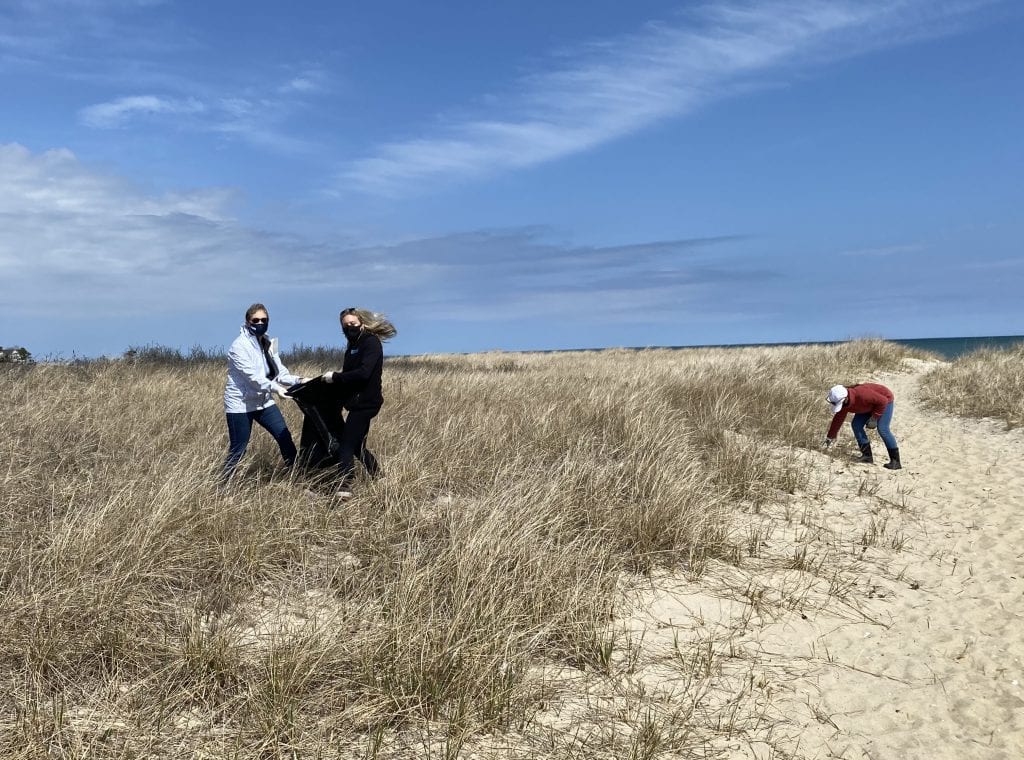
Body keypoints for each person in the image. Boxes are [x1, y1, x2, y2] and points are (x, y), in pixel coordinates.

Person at [318, 307, 397, 497]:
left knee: (346, 443)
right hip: (356, 402)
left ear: (362, 323)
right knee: (357, 445)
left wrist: (335, 377)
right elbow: (348, 376)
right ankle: (379, 476)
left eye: (352, 324)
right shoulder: (352, 346)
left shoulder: (371, 343)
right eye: (345, 326)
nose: (349, 328)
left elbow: (363, 373)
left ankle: (345, 485)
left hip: (367, 403)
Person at [222, 303, 304, 481]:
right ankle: (222, 488)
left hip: (263, 402)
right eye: (256, 320)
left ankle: (299, 480)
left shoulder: (267, 343)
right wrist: (277, 390)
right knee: (238, 448)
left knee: (285, 438)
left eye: (264, 320)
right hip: (240, 405)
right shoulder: (239, 347)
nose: (260, 323)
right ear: (247, 321)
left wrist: (300, 380)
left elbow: (279, 372)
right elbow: (254, 378)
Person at [823, 383, 901, 470]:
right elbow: (838, 419)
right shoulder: (845, 404)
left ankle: (896, 461)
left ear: (845, 398)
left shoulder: (862, 394)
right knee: (856, 425)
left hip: (885, 399)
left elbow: (883, 401)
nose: (840, 406)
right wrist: (830, 437)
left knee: (883, 429)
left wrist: (874, 418)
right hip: (868, 405)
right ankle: (867, 456)